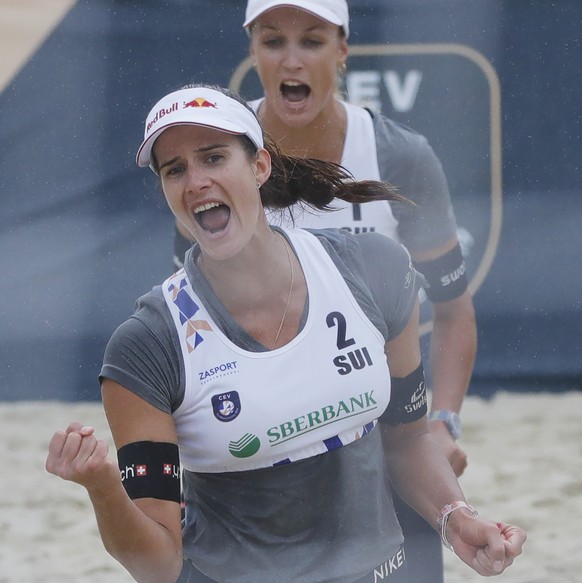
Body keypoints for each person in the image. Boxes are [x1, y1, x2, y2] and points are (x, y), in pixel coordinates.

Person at [46, 84, 525, 583]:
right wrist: (102, 485)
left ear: (260, 166)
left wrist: (456, 517)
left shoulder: (374, 269)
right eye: (175, 170)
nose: (195, 182)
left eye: (213, 158)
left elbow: (406, 442)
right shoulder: (146, 346)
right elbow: (158, 565)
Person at [173, 2, 477, 580]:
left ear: (342, 50)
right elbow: (190, 333)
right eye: (272, 40)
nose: (291, 59)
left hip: (384, 447)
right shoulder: (211, 162)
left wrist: (443, 423)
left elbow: (454, 310)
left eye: (311, 41)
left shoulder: (397, 155)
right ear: (252, 50)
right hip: (264, 456)